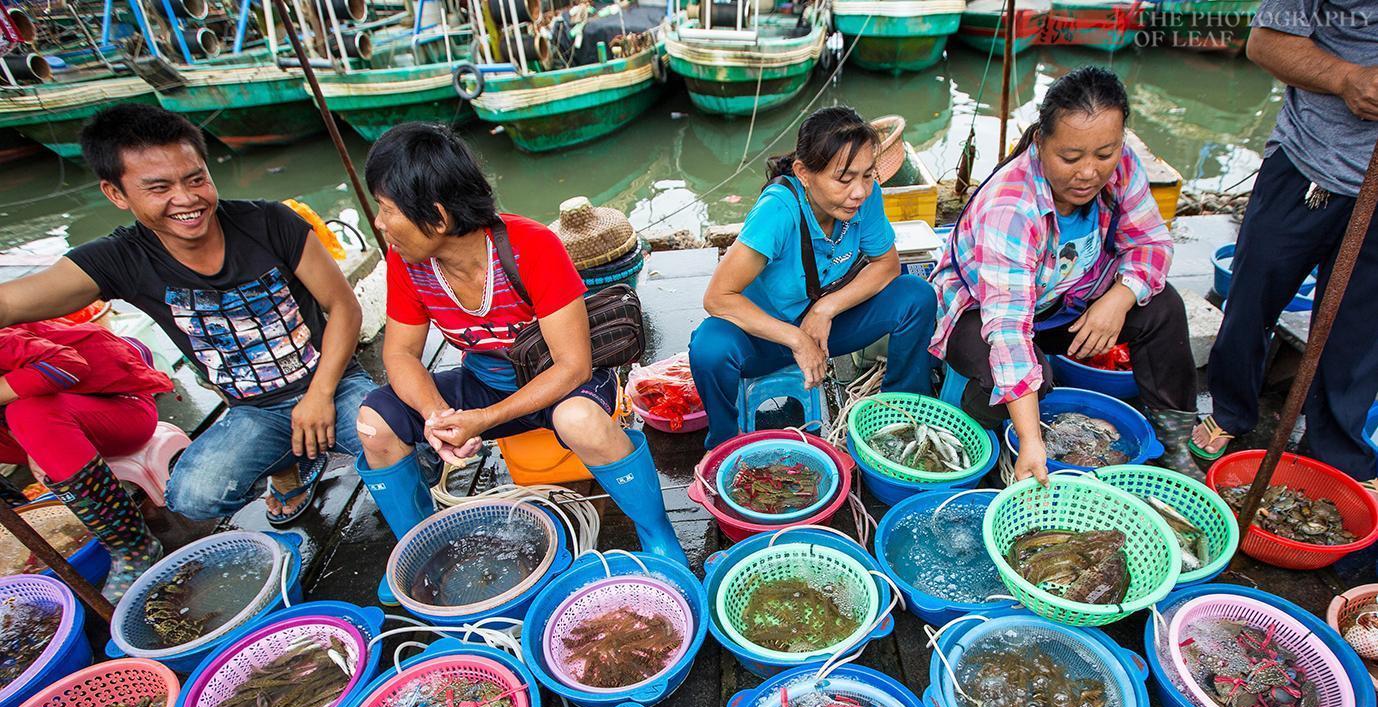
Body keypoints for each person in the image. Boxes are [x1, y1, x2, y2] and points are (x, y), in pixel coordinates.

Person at [354, 123, 688, 604]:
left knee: (581, 420)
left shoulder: (530, 246)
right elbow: (400, 353)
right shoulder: (408, 261)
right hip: (483, 382)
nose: (382, 223)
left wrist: (485, 420)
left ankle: (658, 534)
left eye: (387, 209)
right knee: (373, 425)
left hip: (556, 383)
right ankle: (423, 552)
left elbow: (573, 366)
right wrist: (436, 417)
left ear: (438, 215)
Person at [0, 103, 372, 526]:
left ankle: (309, 446)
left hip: (333, 382)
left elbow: (342, 306)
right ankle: (290, 467)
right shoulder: (121, 258)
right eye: (159, 188)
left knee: (401, 444)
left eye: (196, 179)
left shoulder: (271, 221)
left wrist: (320, 394)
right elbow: (12, 302)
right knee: (192, 498)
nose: (186, 199)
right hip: (254, 410)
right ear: (116, 194)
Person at [929, 66, 1198, 483]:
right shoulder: (1011, 207)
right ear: (1040, 142)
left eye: (1104, 154)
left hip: (1064, 303)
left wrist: (1119, 297)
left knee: (1163, 306)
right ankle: (976, 428)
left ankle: (1175, 441)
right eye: (1070, 157)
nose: (1088, 172)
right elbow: (1008, 330)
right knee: (1033, 377)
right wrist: (1033, 442)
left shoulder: (1122, 167)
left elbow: (1151, 244)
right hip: (982, 313)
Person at [1190, 0, 1378, 487]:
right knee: (1253, 294)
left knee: (1358, 332)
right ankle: (1231, 410)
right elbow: (1265, 41)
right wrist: (1345, 78)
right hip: (1308, 163)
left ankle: (1335, 450)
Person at [689, 106, 937, 449]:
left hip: (826, 330)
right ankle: (724, 441)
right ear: (804, 173)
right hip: (762, 339)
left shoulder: (864, 199)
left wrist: (825, 310)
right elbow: (717, 297)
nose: (859, 192)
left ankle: (901, 415)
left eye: (867, 175)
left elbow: (887, 265)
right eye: (844, 178)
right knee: (709, 348)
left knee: (916, 296)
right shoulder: (778, 210)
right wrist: (797, 339)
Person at [0, 320, 173, 599]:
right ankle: (36, 527)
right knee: (25, 419)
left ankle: (134, 547)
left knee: (27, 413)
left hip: (120, 405)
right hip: (52, 428)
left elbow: (65, 365)